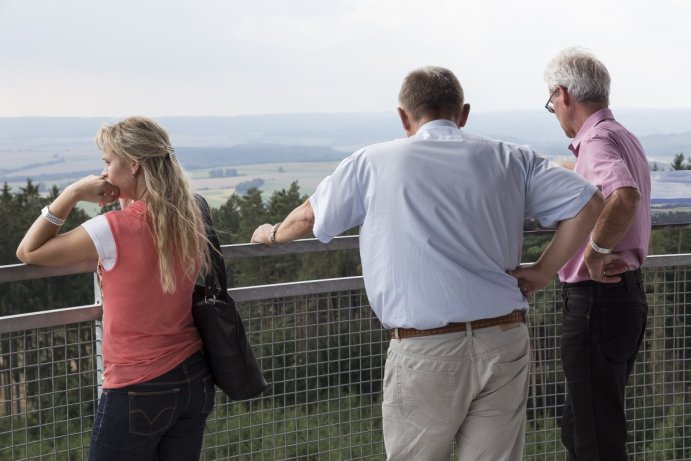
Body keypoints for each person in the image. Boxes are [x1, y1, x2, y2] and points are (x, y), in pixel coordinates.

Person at [252, 66, 604, 460]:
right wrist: (542, 271)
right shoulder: (511, 158)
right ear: (463, 113)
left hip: (425, 350)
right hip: (504, 338)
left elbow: (308, 218)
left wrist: (271, 233)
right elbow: (590, 202)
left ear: (404, 117)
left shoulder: (372, 162)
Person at [16, 116, 215, 461]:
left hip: (138, 384)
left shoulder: (111, 229)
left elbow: (28, 251)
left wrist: (72, 193)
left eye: (108, 162)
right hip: (193, 376)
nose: (104, 173)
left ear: (133, 165)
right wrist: (126, 196)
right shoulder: (190, 215)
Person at [515, 48, 651, 460]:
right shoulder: (622, 136)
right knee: (582, 426)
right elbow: (616, 187)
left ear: (564, 94)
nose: (554, 109)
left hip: (597, 299)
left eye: (551, 101)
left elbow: (624, 197)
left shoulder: (594, 142)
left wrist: (595, 250)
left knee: (594, 437)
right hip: (623, 298)